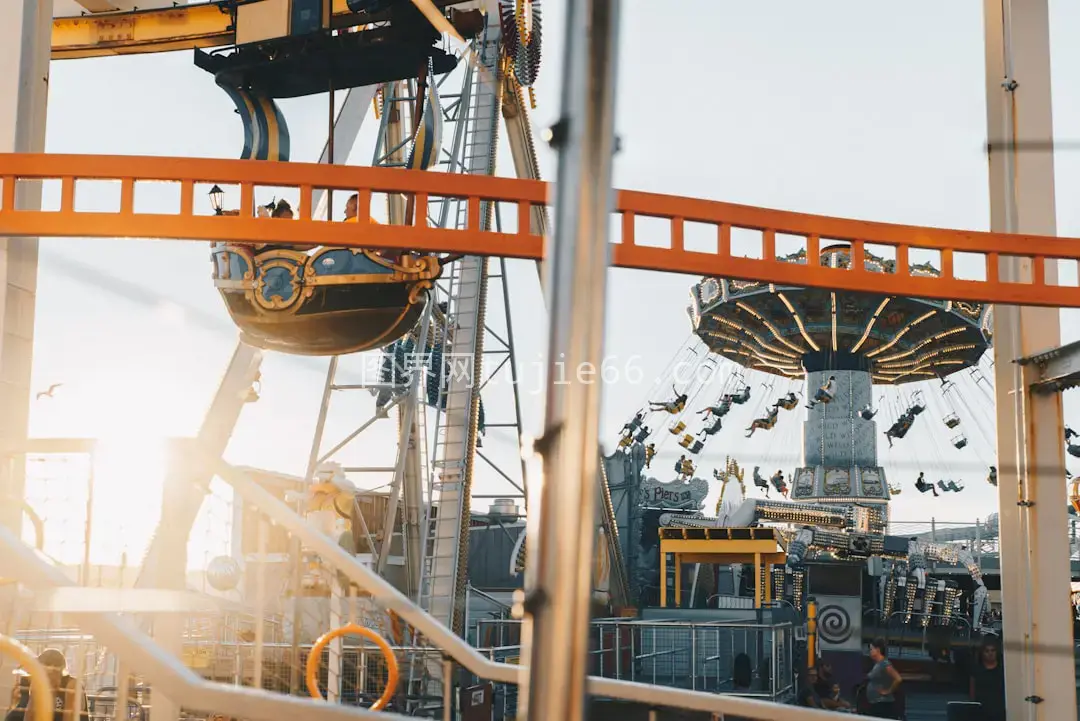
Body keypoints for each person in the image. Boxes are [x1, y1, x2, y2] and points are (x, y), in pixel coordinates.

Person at [16, 649, 88, 721]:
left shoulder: (72, 685)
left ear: (54, 668)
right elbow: (29, 716)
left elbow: (69, 718)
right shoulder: (38, 684)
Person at [865, 638, 902, 718]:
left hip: (882, 704)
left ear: (877, 650)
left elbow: (898, 678)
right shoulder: (877, 664)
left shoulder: (885, 663)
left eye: (871, 649)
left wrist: (888, 691)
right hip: (876, 703)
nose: (870, 651)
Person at [969, 639, 1005, 721]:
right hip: (982, 710)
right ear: (982, 653)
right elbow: (972, 691)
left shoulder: (1003, 670)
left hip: (1000, 710)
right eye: (987, 651)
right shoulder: (976, 671)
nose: (990, 653)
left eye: (993, 650)